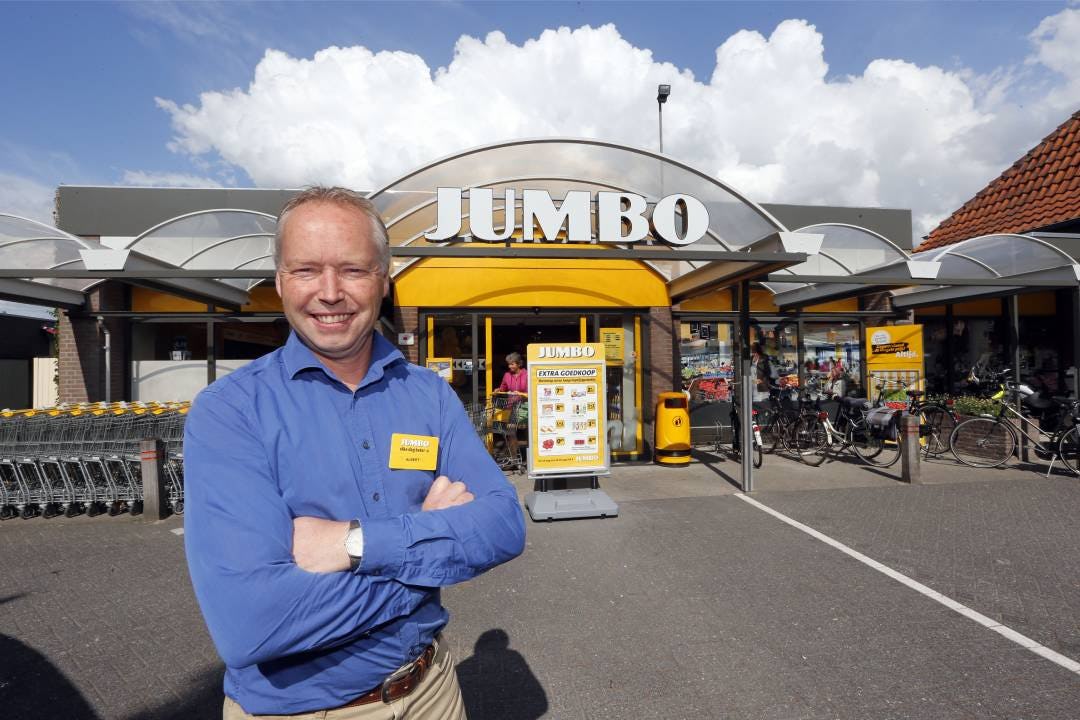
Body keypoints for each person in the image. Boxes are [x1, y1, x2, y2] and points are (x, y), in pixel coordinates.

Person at [183, 187, 526, 719]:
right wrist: (431, 550)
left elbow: (503, 525)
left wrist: (356, 543)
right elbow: (253, 625)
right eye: (305, 271)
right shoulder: (231, 411)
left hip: (433, 689)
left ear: (383, 281)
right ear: (278, 282)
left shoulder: (427, 392)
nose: (329, 291)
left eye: (353, 270)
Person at [497, 352, 528, 461]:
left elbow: (531, 390)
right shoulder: (507, 375)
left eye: (512, 364)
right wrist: (499, 390)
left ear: (519, 364)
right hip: (511, 407)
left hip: (525, 407)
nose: (510, 366)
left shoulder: (527, 374)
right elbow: (503, 388)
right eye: (509, 364)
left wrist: (521, 394)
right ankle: (514, 458)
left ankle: (530, 456)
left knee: (526, 431)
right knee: (511, 431)